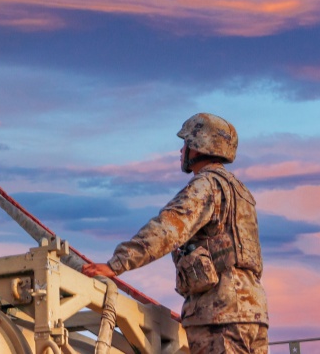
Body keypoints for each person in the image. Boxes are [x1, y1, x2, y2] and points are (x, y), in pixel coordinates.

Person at [82, 113, 268, 353]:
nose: (181, 151)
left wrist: (115, 264)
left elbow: (167, 229)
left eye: (186, 144)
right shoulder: (243, 194)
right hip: (254, 314)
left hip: (220, 315)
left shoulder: (207, 186)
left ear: (198, 147)